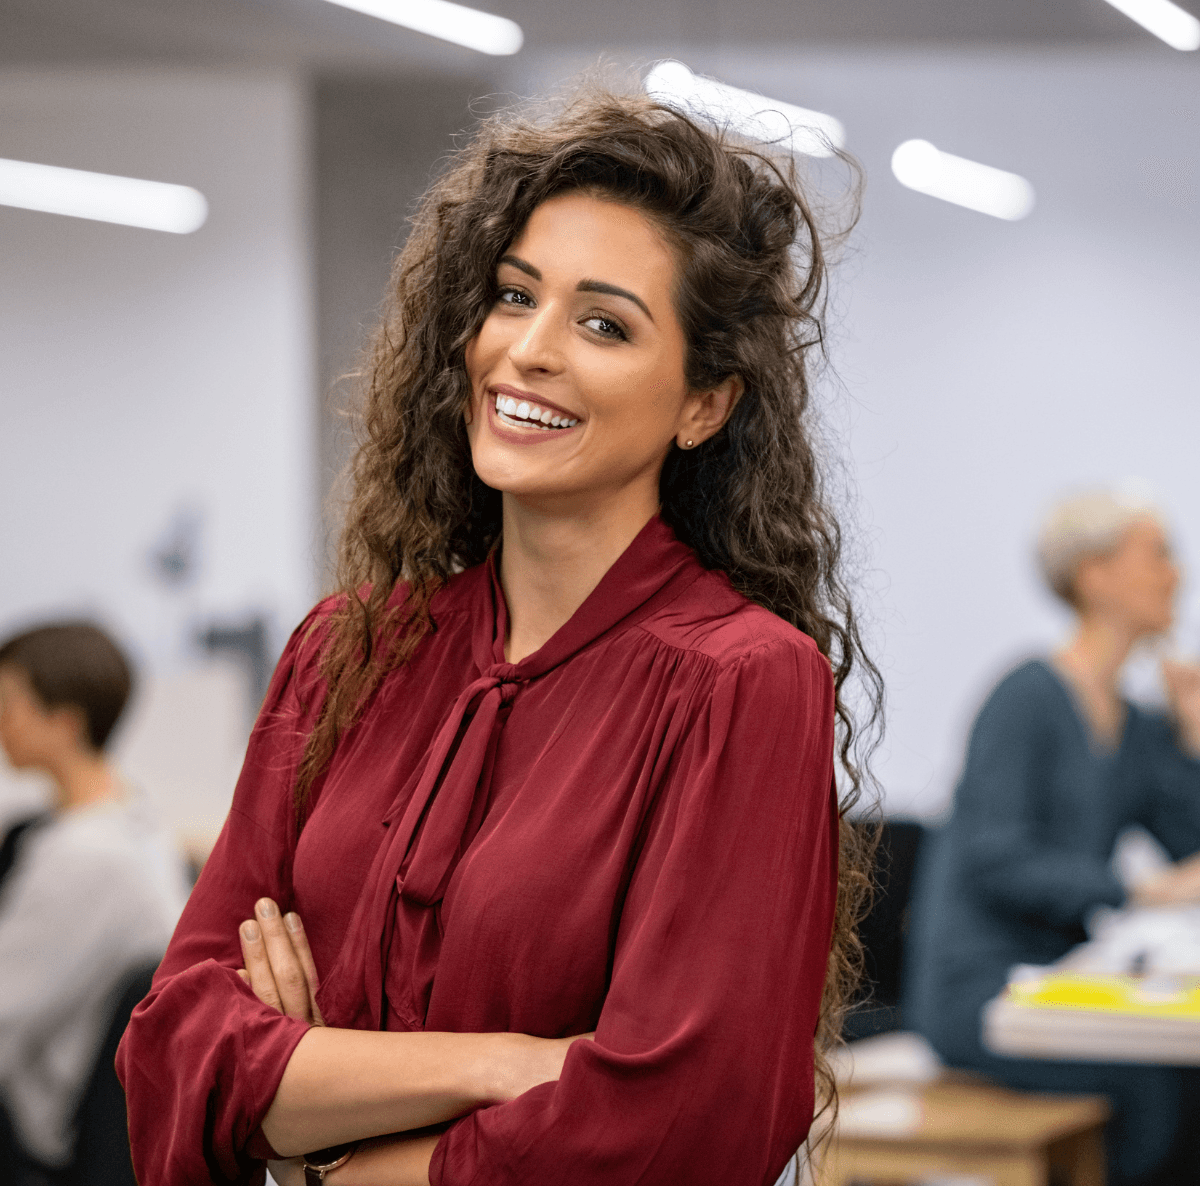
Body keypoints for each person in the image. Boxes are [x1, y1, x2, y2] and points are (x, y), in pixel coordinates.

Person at [118, 85, 879, 1186]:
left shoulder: (741, 681)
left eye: (604, 323)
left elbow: (689, 1123)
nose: (527, 350)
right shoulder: (345, 651)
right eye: (513, 297)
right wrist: (508, 1064)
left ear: (704, 404)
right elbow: (174, 1048)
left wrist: (324, 1143)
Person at [905, 487, 1200, 1186]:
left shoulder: (1137, 723)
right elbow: (995, 857)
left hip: (1064, 992)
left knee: (1185, 1086)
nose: (1175, 575)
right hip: (982, 995)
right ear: (1094, 575)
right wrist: (1139, 889)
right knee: (1156, 1096)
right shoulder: (1026, 696)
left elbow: (1188, 845)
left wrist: (1191, 740)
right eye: (1156, 555)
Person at [0, 622, 188, 1180]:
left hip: (41, 1132)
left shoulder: (82, 858)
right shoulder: (133, 822)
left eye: (10, 704)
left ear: (63, 722)